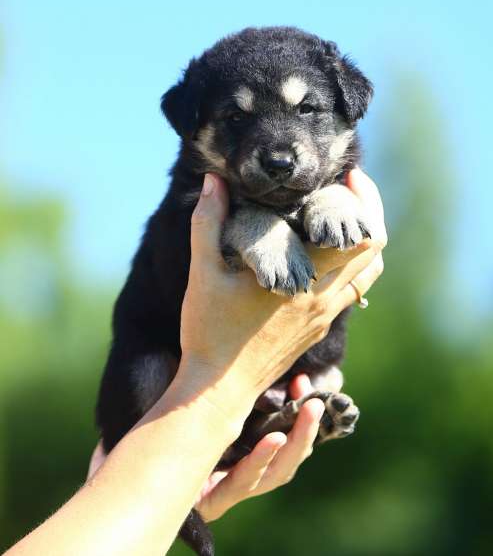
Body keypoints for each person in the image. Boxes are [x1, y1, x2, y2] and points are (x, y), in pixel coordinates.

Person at [5, 169, 386, 556]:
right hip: (162, 376)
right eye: (237, 118)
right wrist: (214, 399)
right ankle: (262, 420)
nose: (278, 148)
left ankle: (271, 418)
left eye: (307, 110)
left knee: (318, 378)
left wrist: (163, 488)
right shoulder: (199, 192)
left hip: (250, 405)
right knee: (144, 359)